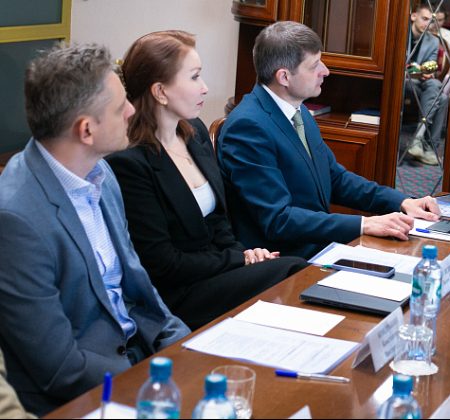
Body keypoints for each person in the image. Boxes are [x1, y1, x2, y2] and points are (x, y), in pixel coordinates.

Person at [0, 43, 190, 415]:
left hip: (140, 360)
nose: (132, 110)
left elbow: (136, 287)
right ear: (86, 130)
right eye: (120, 107)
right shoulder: (16, 219)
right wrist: (151, 379)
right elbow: (59, 368)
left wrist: (185, 347)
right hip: (81, 396)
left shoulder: (100, 171)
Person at [106, 31, 308, 330]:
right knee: (293, 271)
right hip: (179, 292)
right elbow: (163, 264)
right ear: (160, 92)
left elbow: (218, 221)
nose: (205, 88)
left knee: (297, 270)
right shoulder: (129, 162)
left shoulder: (194, 131)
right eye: (194, 77)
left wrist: (245, 253)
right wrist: (238, 260)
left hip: (217, 269)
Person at [218, 21, 440, 259]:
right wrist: (364, 224)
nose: (325, 71)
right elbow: (278, 219)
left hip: (319, 246)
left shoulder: (299, 111)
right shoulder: (247, 127)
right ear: (284, 77)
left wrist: (401, 201)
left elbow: (335, 178)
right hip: (285, 259)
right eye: (315, 65)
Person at [404, 3, 449, 166]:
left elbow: (430, 66)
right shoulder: (402, 33)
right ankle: (425, 145)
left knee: (440, 94)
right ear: (413, 16)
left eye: (431, 21)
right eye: (424, 18)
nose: (427, 24)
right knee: (440, 97)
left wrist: (427, 72)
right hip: (400, 81)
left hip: (419, 82)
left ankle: (421, 141)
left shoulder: (433, 41)